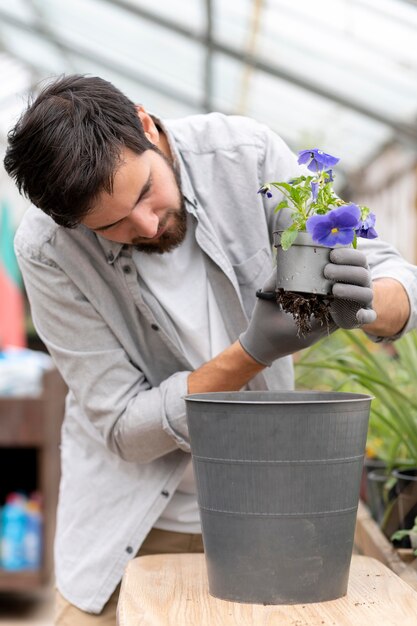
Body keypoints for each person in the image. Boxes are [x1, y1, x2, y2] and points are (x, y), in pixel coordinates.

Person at [3, 75, 416, 625]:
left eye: (145, 192)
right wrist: (252, 351)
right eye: (113, 226)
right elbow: (124, 426)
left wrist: (366, 305)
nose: (146, 225)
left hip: (272, 516)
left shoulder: (244, 156)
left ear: (146, 123)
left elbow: (394, 273)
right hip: (132, 533)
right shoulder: (48, 248)